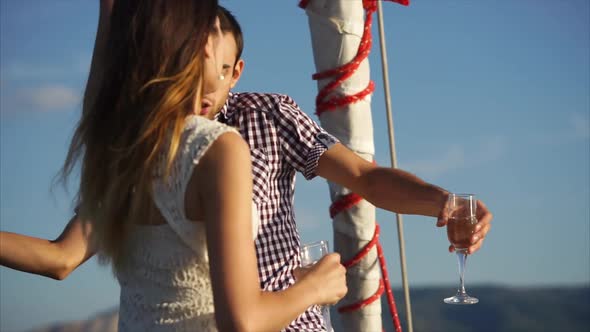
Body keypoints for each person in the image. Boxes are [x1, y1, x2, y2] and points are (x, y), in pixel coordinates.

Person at [0, 3, 493, 331]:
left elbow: (364, 177)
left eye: (218, 66)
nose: (207, 80)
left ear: (235, 72)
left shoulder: (265, 115)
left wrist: (444, 203)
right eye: (193, 60)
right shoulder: (178, 148)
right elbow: (61, 257)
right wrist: (316, 287)